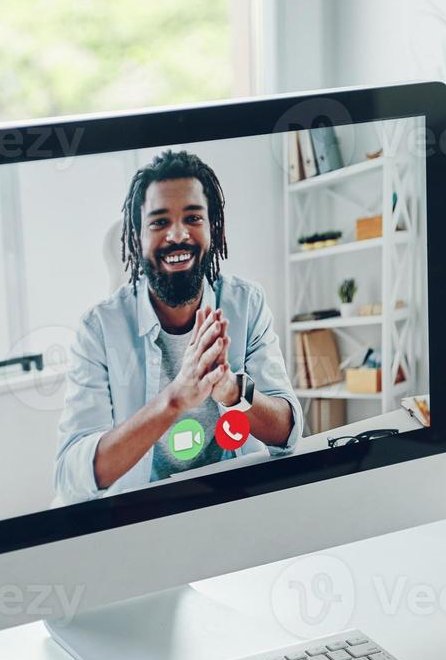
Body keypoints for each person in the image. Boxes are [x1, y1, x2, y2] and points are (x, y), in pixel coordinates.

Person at [55, 150, 301, 503]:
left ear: (212, 229)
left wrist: (232, 391)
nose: (177, 234)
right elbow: (72, 475)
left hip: (234, 501)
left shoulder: (246, 303)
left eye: (193, 217)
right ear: (136, 236)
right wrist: (173, 399)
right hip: (142, 516)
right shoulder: (98, 329)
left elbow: (287, 433)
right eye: (159, 222)